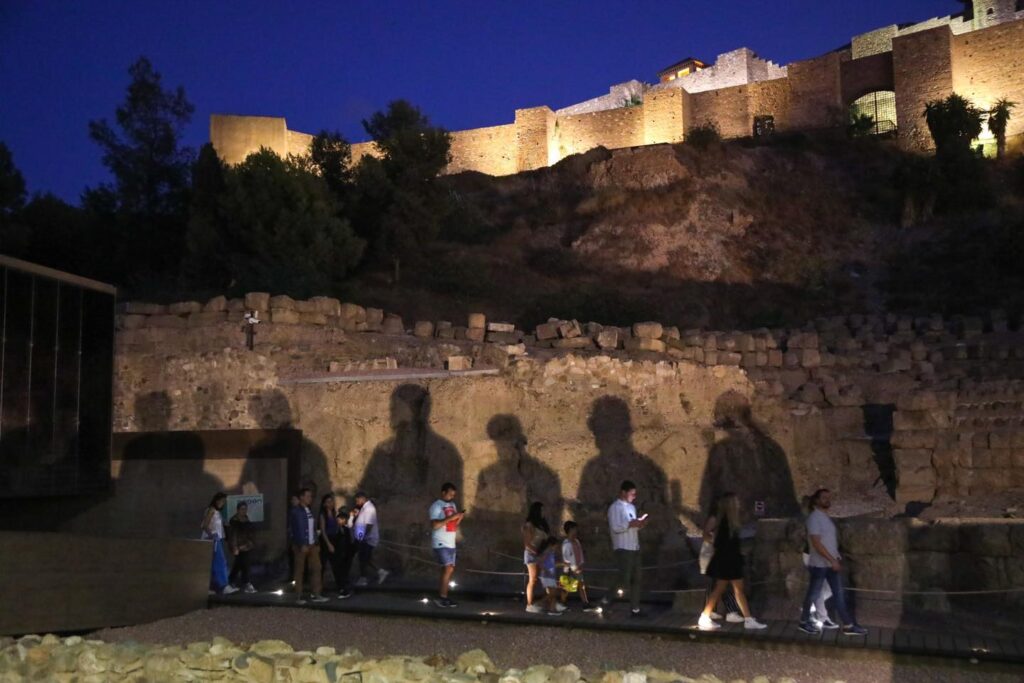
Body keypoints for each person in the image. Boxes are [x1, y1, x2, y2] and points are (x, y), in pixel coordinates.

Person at [799, 489, 867, 635]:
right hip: (820, 564)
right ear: (816, 500)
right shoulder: (814, 518)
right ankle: (804, 621)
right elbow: (816, 543)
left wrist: (835, 556)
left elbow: (827, 541)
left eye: (829, 497)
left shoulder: (824, 517)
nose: (827, 500)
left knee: (838, 594)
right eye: (824, 497)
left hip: (830, 563)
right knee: (813, 594)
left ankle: (848, 625)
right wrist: (831, 559)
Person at [697, 493, 766, 630]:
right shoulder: (720, 519)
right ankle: (706, 617)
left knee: (730, 589)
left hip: (729, 558)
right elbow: (706, 534)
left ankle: (747, 619)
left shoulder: (731, 520)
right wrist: (716, 544)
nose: (739, 504)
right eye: (736, 502)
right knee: (724, 589)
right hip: (726, 558)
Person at [606, 480, 646, 617]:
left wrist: (639, 524)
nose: (634, 497)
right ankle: (606, 600)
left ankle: (635, 609)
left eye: (635, 494)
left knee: (637, 578)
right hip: (623, 547)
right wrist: (630, 524)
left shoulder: (632, 508)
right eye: (632, 494)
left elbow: (631, 525)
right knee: (624, 578)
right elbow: (616, 527)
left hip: (634, 546)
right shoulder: (614, 508)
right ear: (623, 492)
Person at [699, 500, 742, 624]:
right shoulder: (715, 518)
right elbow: (706, 535)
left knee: (718, 583)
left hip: (720, 554)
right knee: (724, 582)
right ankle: (731, 611)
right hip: (713, 554)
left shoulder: (725, 520)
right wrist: (718, 543)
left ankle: (711, 610)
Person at [288, 487, 328, 604]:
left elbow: (312, 528)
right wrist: (301, 544)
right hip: (301, 545)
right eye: (308, 496)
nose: (310, 498)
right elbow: (295, 529)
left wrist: (316, 542)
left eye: (310, 496)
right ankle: (298, 596)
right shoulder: (295, 511)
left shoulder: (308, 510)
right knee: (299, 570)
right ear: (301, 497)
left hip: (312, 544)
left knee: (316, 568)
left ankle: (316, 593)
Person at [429, 482, 464, 608]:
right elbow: (434, 525)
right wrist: (451, 518)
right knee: (448, 568)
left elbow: (454, 523)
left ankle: (444, 596)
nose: (451, 497)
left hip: (451, 542)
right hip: (440, 541)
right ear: (443, 492)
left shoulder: (452, 505)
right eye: (450, 494)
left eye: (453, 495)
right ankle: (442, 597)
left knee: (449, 569)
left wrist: (459, 517)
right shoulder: (436, 506)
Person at [201, 492, 238, 595]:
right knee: (220, 562)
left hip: (215, 539)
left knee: (212, 564)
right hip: (213, 539)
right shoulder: (211, 510)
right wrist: (212, 535)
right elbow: (204, 525)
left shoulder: (216, 512)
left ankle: (211, 587)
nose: (223, 503)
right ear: (217, 500)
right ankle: (223, 586)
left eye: (224, 502)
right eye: (222, 501)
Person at [319, 494, 353, 599]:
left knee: (337, 566)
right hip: (326, 541)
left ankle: (342, 588)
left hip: (335, 540)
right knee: (322, 566)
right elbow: (323, 531)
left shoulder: (334, 513)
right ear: (324, 504)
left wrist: (341, 529)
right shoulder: (322, 515)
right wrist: (328, 544)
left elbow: (337, 524)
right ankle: (318, 589)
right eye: (328, 502)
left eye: (331, 501)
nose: (330, 503)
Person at [561, 521, 600, 612]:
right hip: (571, 569)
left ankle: (585, 603)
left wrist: (581, 563)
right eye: (574, 529)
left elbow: (580, 553)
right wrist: (571, 569)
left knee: (581, 586)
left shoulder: (576, 541)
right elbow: (566, 558)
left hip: (578, 568)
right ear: (570, 530)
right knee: (567, 587)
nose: (576, 531)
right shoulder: (566, 544)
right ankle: (562, 603)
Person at [352, 491, 389, 586]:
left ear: (362, 498)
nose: (356, 503)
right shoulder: (364, 508)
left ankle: (363, 578)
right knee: (367, 558)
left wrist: (362, 537)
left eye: (357, 500)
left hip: (368, 539)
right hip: (364, 537)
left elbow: (368, 525)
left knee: (363, 558)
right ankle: (381, 572)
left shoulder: (369, 508)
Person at [522, 501, 551, 613]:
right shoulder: (529, 525)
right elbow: (527, 544)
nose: (544, 512)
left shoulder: (542, 525)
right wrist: (538, 552)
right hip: (532, 554)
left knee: (544, 578)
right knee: (533, 579)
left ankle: (545, 602)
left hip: (541, 553)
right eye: (542, 510)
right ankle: (529, 604)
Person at [227, 501, 256, 594]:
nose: (244, 511)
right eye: (242, 509)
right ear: (238, 510)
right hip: (238, 546)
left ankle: (236, 581)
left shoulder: (247, 521)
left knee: (242, 564)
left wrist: (249, 543)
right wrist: (235, 547)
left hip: (246, 546)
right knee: (241, 564)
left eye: (245, 509)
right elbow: (233, 535)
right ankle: (244, 582)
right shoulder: (234, 522)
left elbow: (250, 534)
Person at [536, 537, 563, 616]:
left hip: (549, 576)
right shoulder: (548, 552)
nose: (557, 547)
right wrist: (544, 569)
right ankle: (539, 603)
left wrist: (562, 564)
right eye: (556, 545)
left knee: (552, 594)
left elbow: (551, 564)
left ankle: (552, 609)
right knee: (552, 593)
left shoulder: (550, 552)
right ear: (552, 545)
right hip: (547, 576)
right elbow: (541, 562)